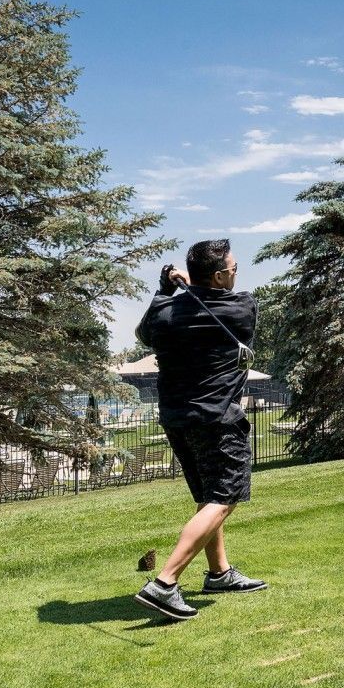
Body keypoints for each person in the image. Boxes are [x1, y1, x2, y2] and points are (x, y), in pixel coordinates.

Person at [131, 239, 267, 621]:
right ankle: (165, 583)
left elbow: (145, 333)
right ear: (221, 275)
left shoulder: (163, 310)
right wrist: (188, 288)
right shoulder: (241, 308)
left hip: (177, 418)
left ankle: (220, 573)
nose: (237, 275)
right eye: (234, 269)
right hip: (217, 419)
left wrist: (165, 290)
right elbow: (218, 301)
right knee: (224, 498)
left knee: (208, 496)